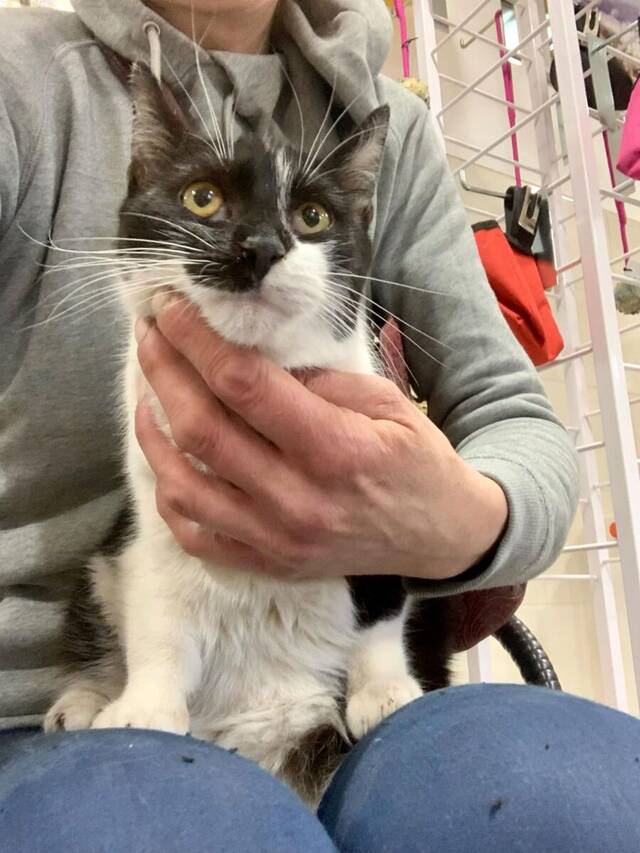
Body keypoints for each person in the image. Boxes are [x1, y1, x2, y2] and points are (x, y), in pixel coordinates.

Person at [1, 1, 638, 851]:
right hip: (65, 699)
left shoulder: (390, 129)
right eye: (203, 197)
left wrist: (452, 520)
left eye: (307, 219)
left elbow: (514, 414)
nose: (259, 244)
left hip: (337, 677)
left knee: (569, 803)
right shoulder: (22, 77)